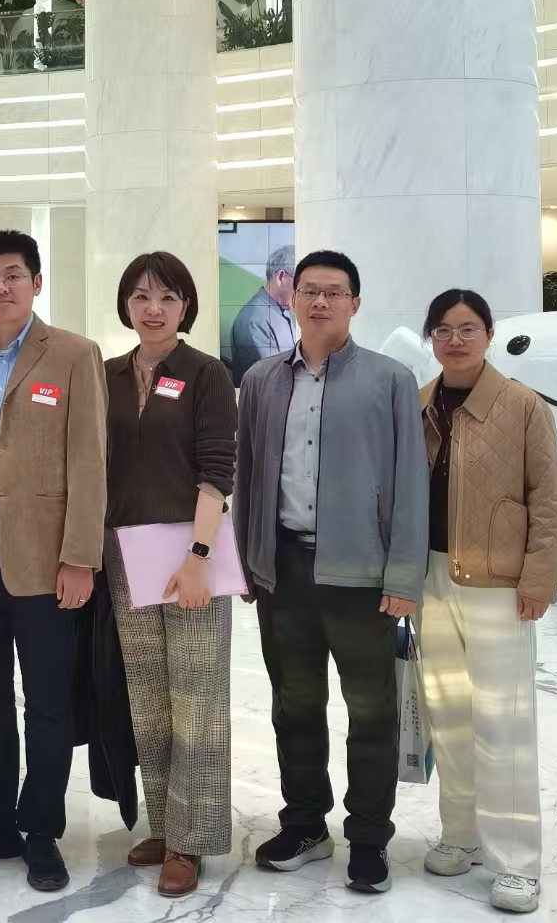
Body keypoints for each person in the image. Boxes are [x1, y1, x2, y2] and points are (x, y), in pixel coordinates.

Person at [234, 249, 428, 894]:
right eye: (309, 290)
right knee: (294, 705)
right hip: (283, 570)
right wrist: (249, 560)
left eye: (334, 292)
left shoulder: (389, 380)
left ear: (354, 303)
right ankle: (305, 825)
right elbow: (248, 474)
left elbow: (409, 483)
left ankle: (368, 836)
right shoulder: (261, 379)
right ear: (291, 297)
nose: (320, 301)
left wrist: (403, 577)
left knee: (370, 711)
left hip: (361, 575)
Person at [0, 229, 107, 893]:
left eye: (12, 275)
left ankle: (40, 829)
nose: (0, 286)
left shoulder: (73, 354)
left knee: (48, 701)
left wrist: (80, 557)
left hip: (44, 553)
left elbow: (89, 462)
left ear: (36, 282)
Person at [416, 288, 557, 915]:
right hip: (430, 578)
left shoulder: (524, 405)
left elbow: (547, 499)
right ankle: (461, 834)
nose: (455, 340)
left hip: (500, 584)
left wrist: (538, 580)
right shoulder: (419, 402)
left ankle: (518, 863)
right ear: (431, 337)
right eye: (444, 330)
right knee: (448, 715)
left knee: (504, 724)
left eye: (467, 328)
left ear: (489, 334)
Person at [101, 252, 238, 896]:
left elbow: (217, 470)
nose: (153, 309)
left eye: (167, 297)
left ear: (186, 306)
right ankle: (164, 823)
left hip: (190, 552)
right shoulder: (105, 375)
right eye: (141, 296)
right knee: (149, 699)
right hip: (125, 553)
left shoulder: (206, 373)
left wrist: (199, 556)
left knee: (197, 698)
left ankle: (193, 839)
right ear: (125, 305)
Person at [230, 243, 297, 379]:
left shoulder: (281, 309)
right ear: (281, 277)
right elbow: (273, 379)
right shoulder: (254, 321)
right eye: (300, 284)